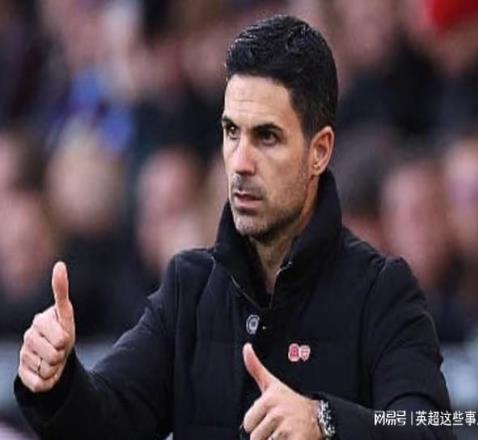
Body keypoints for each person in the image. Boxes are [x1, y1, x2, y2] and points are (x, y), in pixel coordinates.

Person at [14, 15, 454, 440]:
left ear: (319, 151)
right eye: (231, 132)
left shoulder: (382, 292)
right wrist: (57, 380)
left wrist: (324, 421)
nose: (241, 162)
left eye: (267, 137)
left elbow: (428, 428)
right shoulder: (188, 290)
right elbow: (108, 420)